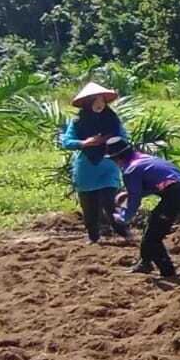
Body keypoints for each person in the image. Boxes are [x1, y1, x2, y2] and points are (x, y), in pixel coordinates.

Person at [108, 137, 180, 278]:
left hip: (175, 196)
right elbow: (159, 182)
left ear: (117, 159)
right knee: (152, 226)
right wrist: (128, 194)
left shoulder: (130, 170)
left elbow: (134, 200)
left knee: (153, 236)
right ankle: (145, 262)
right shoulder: (144, 159)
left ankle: (168, 272)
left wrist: (124, 217)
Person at [59, 82, 130, 244]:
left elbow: (124, 138)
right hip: (86, 167)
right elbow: (67, 142)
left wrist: (109, 141)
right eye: (95, 100)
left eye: (102, 100)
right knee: (89, 205)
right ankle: (93, 237)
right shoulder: (77, 122)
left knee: (110, 202)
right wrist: (85, 143)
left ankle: (124, 233)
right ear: (87, 102)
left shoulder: (113, 119)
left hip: (108, 165)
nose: (99, 104)